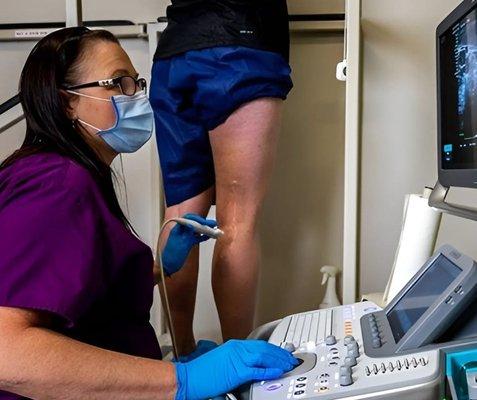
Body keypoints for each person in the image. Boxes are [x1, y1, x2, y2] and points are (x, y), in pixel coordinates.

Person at [0, 27, 298, 399]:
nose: (137, 97)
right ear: (66, 102)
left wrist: (159, 268)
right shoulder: (57, 185)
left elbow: (76, 293)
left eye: (137, 84)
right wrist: (182, 381)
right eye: (119, 84)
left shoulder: (65, 176)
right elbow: (5, 353)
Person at [151, 0, 293, 357]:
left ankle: (182, 354)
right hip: (240, 45)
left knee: (181, 215)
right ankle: (236, 366)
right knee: (238, 222)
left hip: (174, 54)